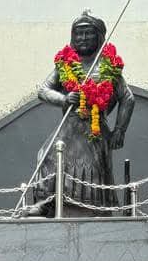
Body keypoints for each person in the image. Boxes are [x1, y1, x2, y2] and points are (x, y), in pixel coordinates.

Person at [30, 11, 135, 215]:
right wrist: (64, 99)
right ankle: (45, 202)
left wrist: (119, 131)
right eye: (78, 33)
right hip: (69, 126)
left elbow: (128, 98)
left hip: (95, 129)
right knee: (47, 155)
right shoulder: (66, 64)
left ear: (98, 36)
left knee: (91, 167)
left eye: (88, 33)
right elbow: (43, 91)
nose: (83, 38)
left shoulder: (107, 66)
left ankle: (94, 208)